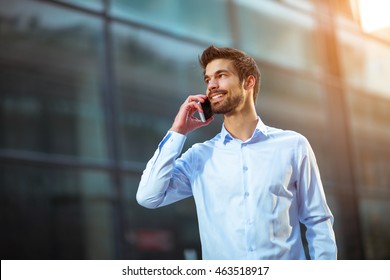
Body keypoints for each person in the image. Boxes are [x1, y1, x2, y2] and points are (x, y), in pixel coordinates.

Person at [136, 45, 337, 260]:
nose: (212, 85)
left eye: (221, 76)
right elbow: (148, 197)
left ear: (248, 82)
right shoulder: (199, 157)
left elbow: (318, 221)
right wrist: (178, 131)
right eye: (207, 80)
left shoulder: (293, 146)